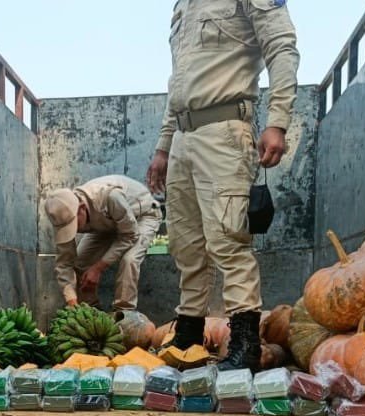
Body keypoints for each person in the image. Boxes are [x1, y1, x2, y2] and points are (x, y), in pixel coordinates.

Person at [146, 0, 299, 371]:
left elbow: (282, 47)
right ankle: (188, 337)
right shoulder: (184, 6)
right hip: (183, 135)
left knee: (228, 240)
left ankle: (244, 344)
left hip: (225, 130)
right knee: (186, 245)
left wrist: (278, 121)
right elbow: (178, 83)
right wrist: (164, 147)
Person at [43, 175, 163, 312]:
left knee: (129, 260)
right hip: (107, 224)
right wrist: (72, 301)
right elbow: (64, 263)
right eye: (66, 228)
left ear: (81, 207)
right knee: (80, 262)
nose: (73, 230)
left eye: (73, 224)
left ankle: (124, 314)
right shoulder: (63, 214)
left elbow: (130, 235)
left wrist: (98, 268)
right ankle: (89, 311)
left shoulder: (109, 197)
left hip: (141, 217)